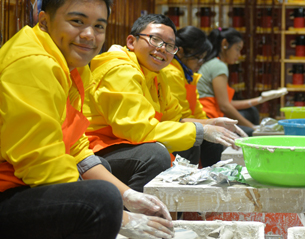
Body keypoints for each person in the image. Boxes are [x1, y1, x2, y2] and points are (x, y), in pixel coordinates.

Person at [0, 0, 174, 239]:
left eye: (99, 26)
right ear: (44, 21)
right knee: (101, 198)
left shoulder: (74, 65)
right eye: (77, 22)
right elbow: (41, 162)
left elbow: (75, 146)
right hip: (10, 187)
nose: (89, 35)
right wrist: (122, 215)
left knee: (109, 190)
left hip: (30, 180)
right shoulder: (34, 62)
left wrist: (127, 195)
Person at [84, 14, 241, 193]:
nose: (162, 48)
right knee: (155, 155)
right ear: (131, 42)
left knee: (192, 141)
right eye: (155, 39)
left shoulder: (158, 75)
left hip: (125, 143)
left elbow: (174, 118)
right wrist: (202, 129)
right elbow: (136, 130)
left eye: (169, 45)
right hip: (99, 148)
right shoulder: (121, 71)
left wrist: (210, 124)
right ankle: (133, 208)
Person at [162, 26, 245, 167]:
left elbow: (197, 112)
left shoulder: (187, 73)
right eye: (198, 58)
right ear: (180, 52)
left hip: (187, 121)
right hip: (173, 126)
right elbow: (178, 118)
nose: (200, 63)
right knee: (209, 139)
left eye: (202, 59)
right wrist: (210, 125)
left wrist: (212, 123)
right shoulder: (172, 72)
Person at [197, 28, 287, 136]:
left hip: (209, 114)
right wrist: (253, 128)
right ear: (225, 44)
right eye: (237, 49)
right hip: (208, 116)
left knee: (251, 111)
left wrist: (260, 99)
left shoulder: (213, 63)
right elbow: (224, 106)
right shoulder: (218, 66)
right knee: (249, 130)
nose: (239, 54)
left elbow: (227, 103)